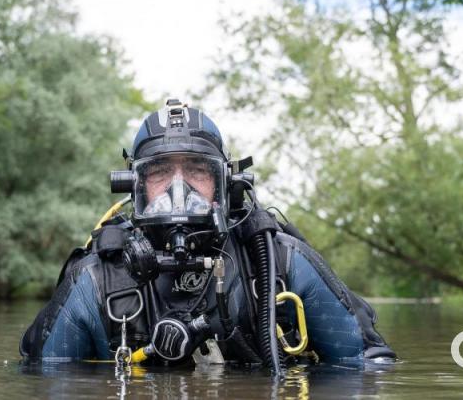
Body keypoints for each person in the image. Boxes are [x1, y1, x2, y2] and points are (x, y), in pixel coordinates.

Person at [20, 99, 395, 371]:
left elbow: (369, 363)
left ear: (225, 184)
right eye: (160, 173)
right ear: (136, 186)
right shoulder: (95, 280)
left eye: (198, 171)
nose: (178, 190)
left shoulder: (278, 261)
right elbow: (44, 380)